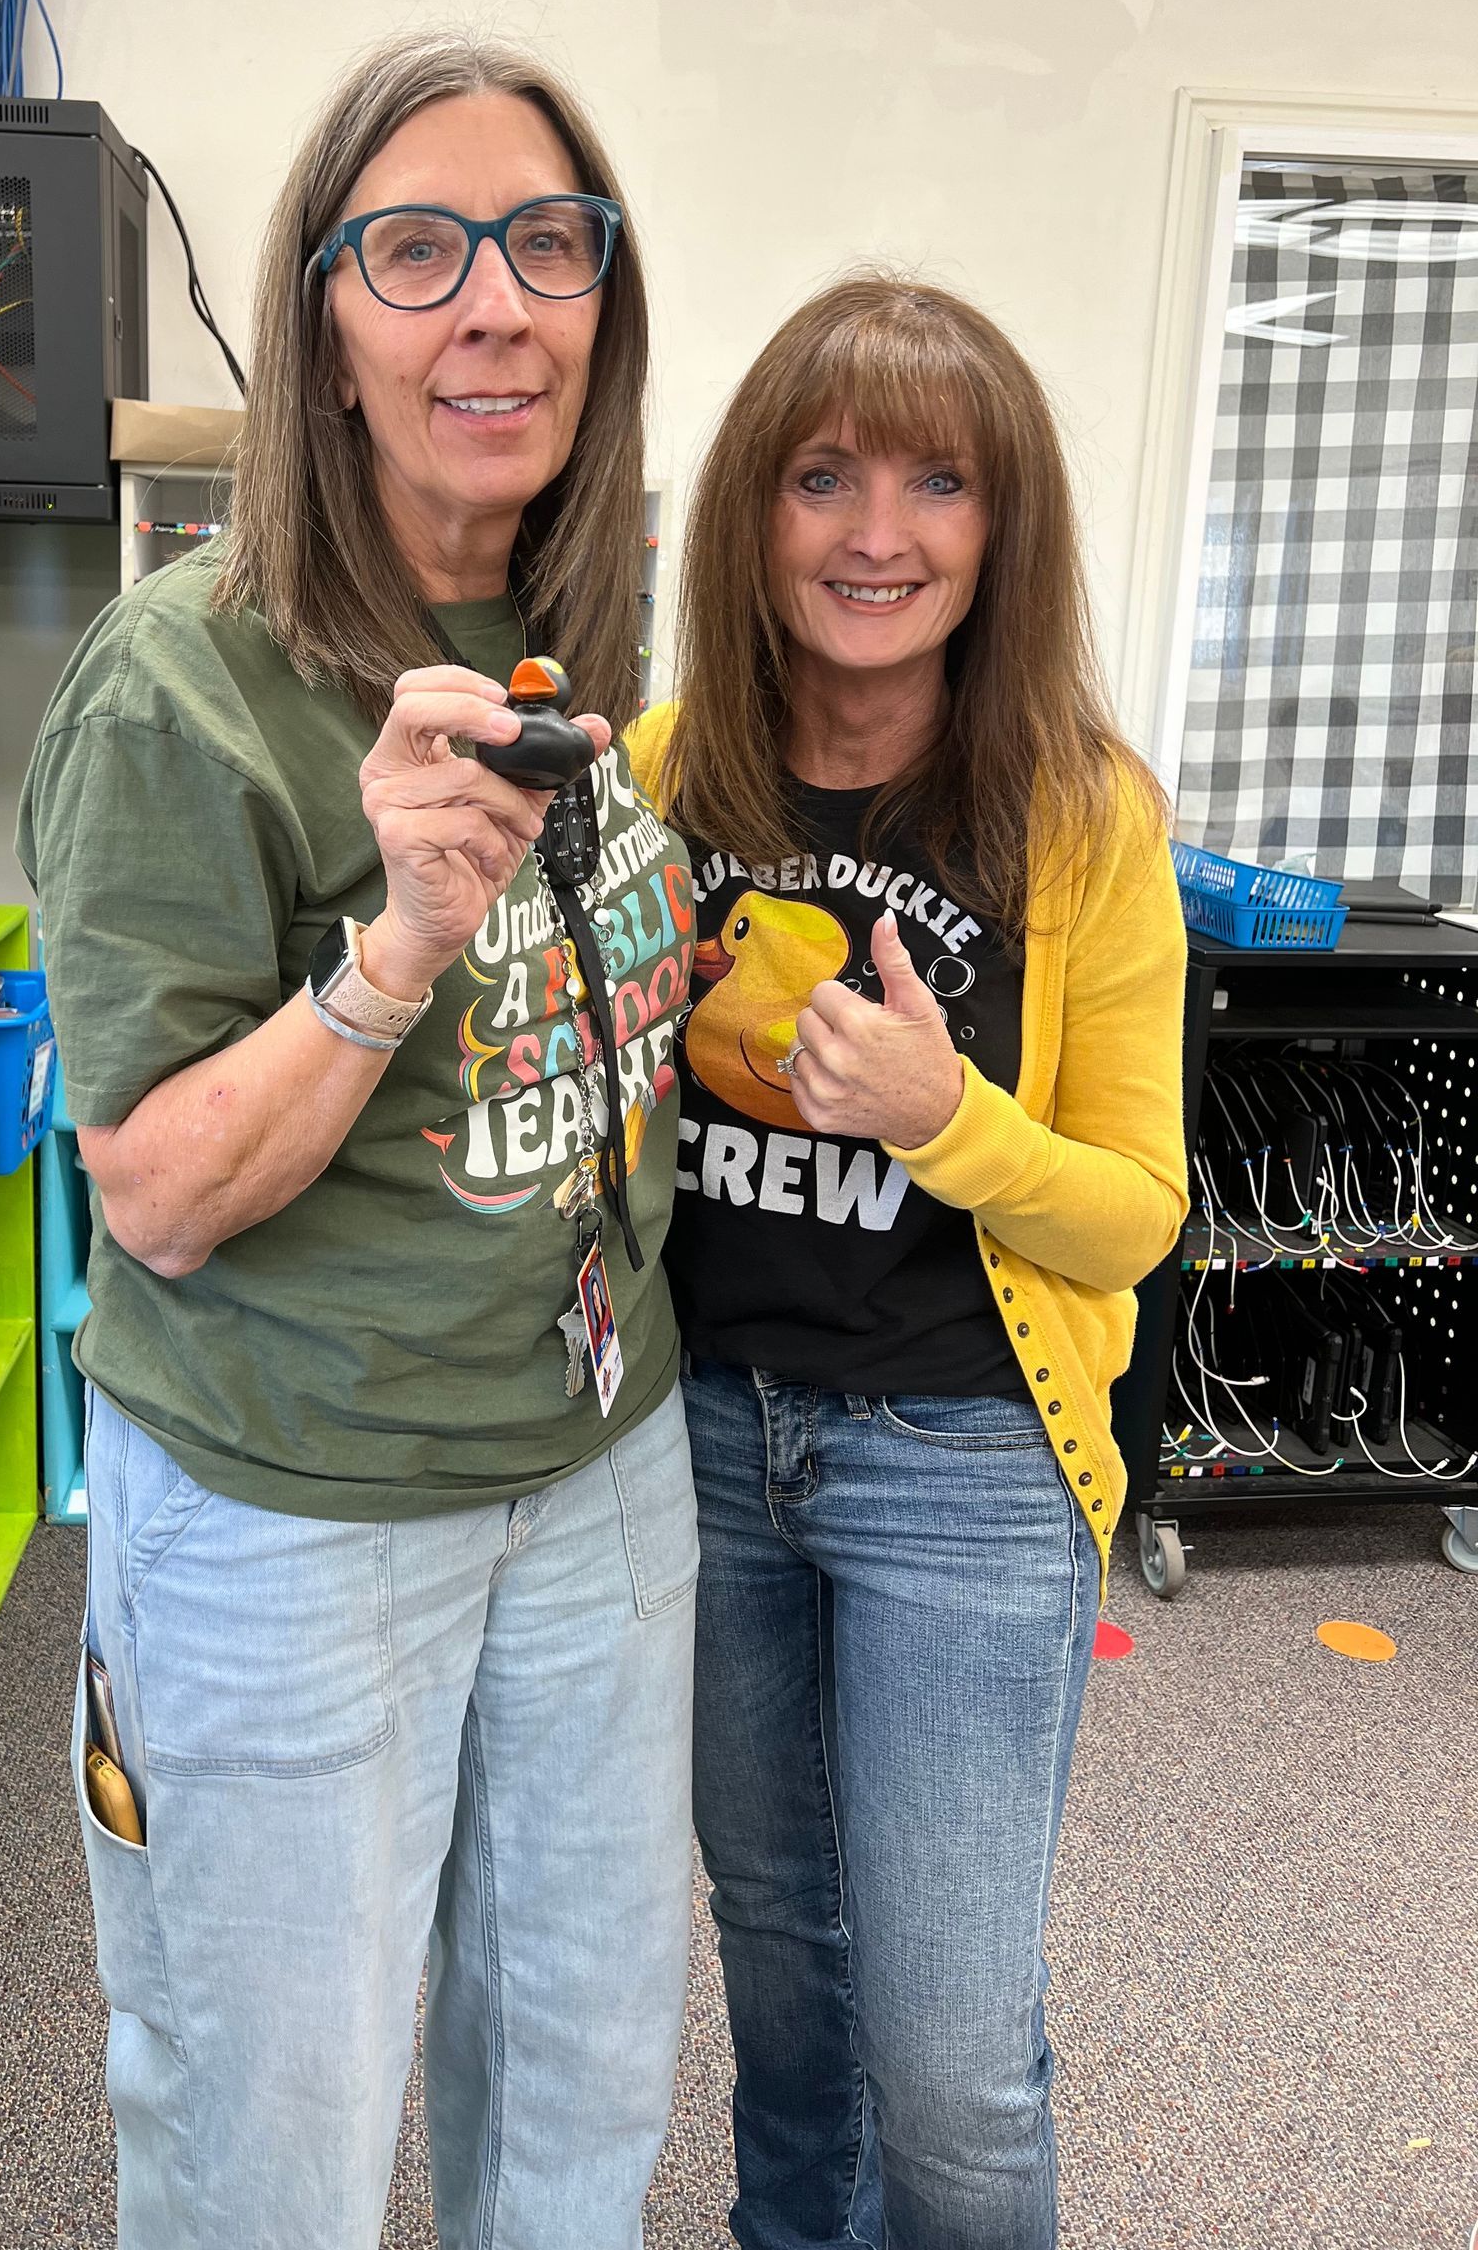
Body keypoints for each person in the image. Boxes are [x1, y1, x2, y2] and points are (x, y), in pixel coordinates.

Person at [17, 35, 698, 2250]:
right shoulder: (181, 681)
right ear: (321, 318)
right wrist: (394, 942)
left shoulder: (587, 625)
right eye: (415, 248)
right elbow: (161, 1194)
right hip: (296, 1517)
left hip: (599, 1465)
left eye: (545, 243)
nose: (492, 300)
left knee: (582, 2080)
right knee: (267, 2139)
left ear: (605, 304)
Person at [630, 275, 1187, 2250]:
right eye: (823, 475)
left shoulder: (1086, 811)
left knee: (951, 2054)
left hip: (962, 1462)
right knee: (781, 1966)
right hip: (697, 1442)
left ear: (1000, 523)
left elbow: (1137, 1207)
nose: (879, 532)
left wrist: (942, 1115)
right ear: (751, 517)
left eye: (939, 480)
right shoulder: (666, 763)